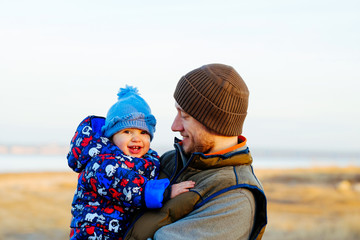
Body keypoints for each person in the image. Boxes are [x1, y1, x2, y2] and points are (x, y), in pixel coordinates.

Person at [124, 64, 267, 240]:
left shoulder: (235, 199)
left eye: (185, 116)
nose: (174, 126)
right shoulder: (171, 160)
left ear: (215, 122)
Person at [67, 86, 195, 240]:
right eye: (127, 132)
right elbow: (125, 185)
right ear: (112, 136)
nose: (136, 138)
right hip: (94, 233)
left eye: (143, 132)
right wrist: (165, 192)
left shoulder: (149, 160)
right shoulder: (102, 162)